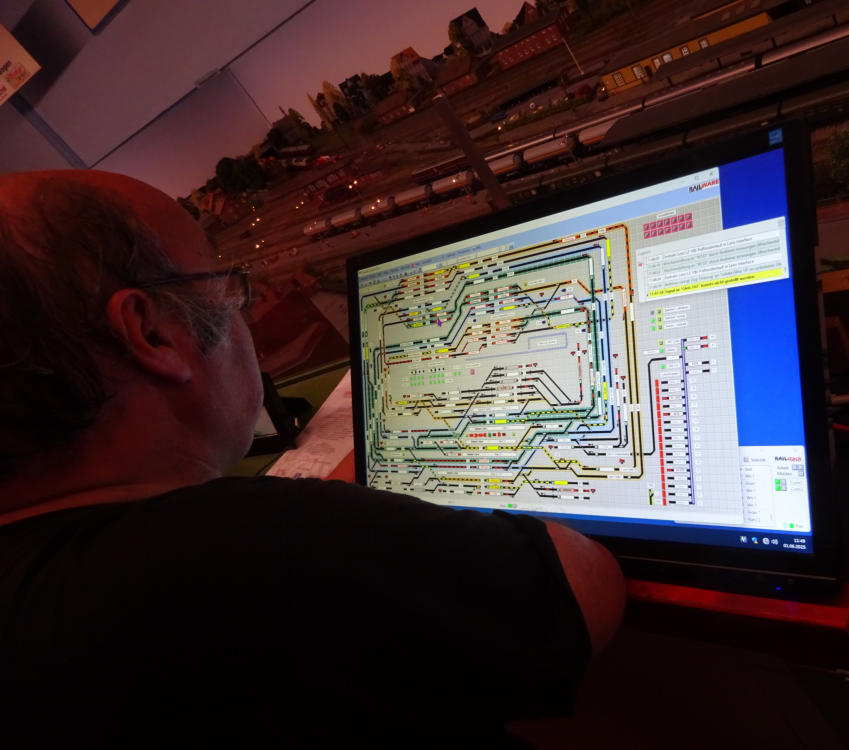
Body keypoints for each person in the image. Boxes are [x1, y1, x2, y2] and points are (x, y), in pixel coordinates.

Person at [0, 170, 625, 748]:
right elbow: (583, 588)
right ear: (153, 333)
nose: (240, 312)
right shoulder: (250, 550)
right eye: (222, 286)